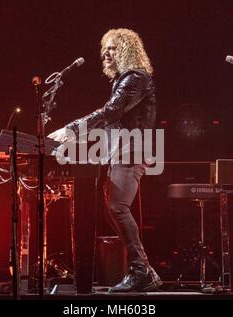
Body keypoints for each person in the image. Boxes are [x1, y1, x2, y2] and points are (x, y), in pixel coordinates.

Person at [48, 28, 161, 293]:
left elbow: (112, 112)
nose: (106, 53)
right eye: (104, 49)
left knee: (117, 206)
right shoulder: (126, 79)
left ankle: (141, 271)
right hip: (121, 150)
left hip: (131, 150)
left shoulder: (135, 78)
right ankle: (145, 270)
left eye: (112, 48)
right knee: (114, 206)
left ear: (127, 49)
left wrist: (72, 129)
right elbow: (112, 120)